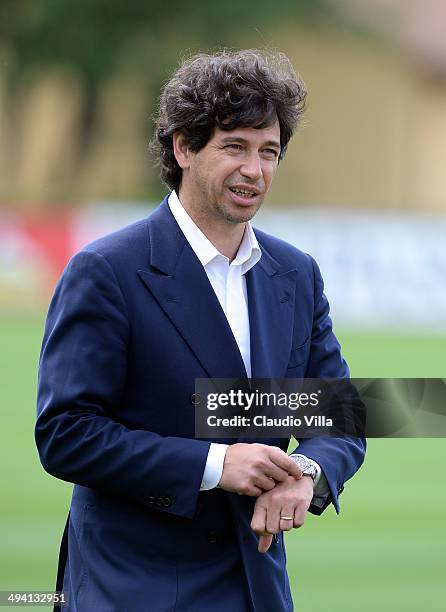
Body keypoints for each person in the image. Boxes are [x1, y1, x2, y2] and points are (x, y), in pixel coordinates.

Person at [36, 49, 366, 612]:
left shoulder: (296, 274)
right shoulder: (107, 270)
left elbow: (340, 413)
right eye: (234, 146)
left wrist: (306, 474)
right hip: (131, 588)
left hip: (257, 587)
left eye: (269, 152)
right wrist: (216, 466)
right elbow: (67, 433)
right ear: (183, 147)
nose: (255, 170)